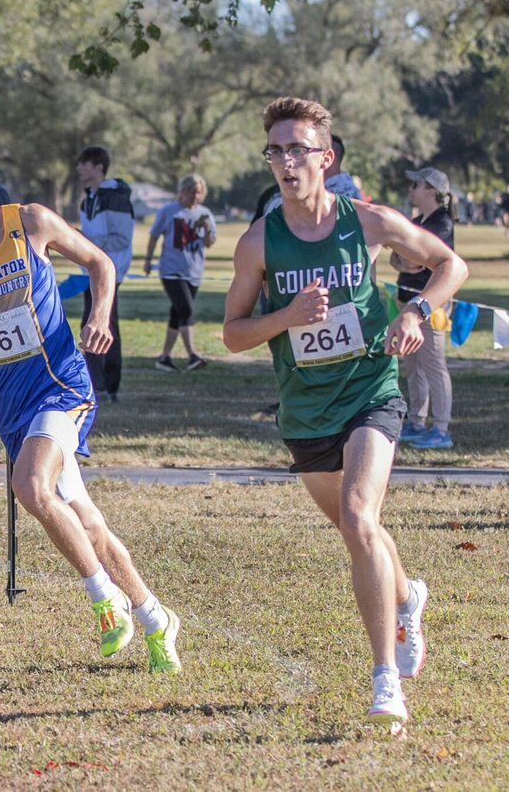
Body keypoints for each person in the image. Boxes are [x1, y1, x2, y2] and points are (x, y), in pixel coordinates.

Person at [223, 97, 468, 726]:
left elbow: (451, 263)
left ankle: (386, 678)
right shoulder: (259, 243)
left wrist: (416, 311)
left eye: (297, 148)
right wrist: (286, 317)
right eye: (275, 150)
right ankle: (408, 593)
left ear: (325, 158)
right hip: (305, 409)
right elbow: (232, 333)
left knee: (360, 517)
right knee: (358, 531)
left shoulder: (369, 222)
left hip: (370, 390)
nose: (285, 161)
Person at [0, 138, 180, 672]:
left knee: (31, 486)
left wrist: (100, 316)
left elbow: (101, 263)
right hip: (9, 402)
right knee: (88, 524)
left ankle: (106, 602)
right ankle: (154, 616)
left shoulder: (30, 222)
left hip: (61, 382)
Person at [391, 167, 457, 450]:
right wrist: (405, 259)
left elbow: (413, 262)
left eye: (416, 184)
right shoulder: (417, 221)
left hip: (430, 304)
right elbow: (399, 260)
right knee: (413, 365)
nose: (411, 189)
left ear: (431, 190)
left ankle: (440, 429)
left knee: (433, 365)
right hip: (406, 300)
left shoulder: (441, 223)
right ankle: (417, 422)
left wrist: (406, 258)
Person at [76, 145, 135, 404]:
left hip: (110, 271)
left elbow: (121, 238)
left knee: (104, 325)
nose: (79, 169)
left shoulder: (116, 197)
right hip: (90, 270)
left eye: (84, 164)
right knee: (91, 324)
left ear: (99, 167)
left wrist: (86, 243)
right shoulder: (87, 198)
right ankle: (95, 382)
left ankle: (108, 386)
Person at [143, 173, 217, 371]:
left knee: (177, 314)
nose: (194, 196)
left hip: (193, 271)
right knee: (186, 310)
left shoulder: (205, 214)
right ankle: (192, 355)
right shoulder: (169, 211)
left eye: (198, 193)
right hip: (171, 270)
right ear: (182, 192)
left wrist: (207, 228)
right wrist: (148, 260)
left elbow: (209, 243)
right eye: (191, 192)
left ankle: (164, 357)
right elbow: (154, 235)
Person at [258, 134, 361, 217]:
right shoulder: (271, 195)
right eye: (275, 153)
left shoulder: (345, 196)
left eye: (298, 151)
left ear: (327, 158)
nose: (287, 161)